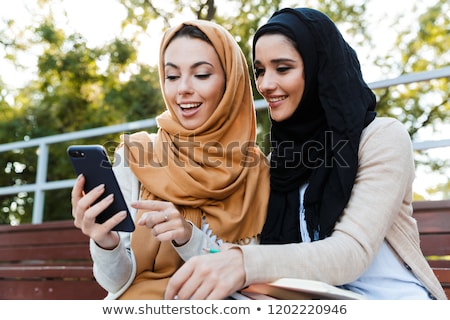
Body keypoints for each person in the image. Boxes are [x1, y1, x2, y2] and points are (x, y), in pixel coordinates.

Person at [165, 8, 447, 300]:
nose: (264, 84)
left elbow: (351, 253)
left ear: (318, 69)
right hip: (316, 302)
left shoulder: (381, 138)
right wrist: (186, 236)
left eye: (282, 68)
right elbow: (243, 257)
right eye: (260, 70)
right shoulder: (280, 162)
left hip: (392, 303)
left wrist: (244, 262)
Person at [71, 20, 270, 299]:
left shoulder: (258, 172)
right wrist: (105, 241)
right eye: (172, 76)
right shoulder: (136, 156)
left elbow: (251, 276)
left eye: (201, 75)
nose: (183, 89)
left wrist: (188, 238)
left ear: (231, 82)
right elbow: (115, 283)